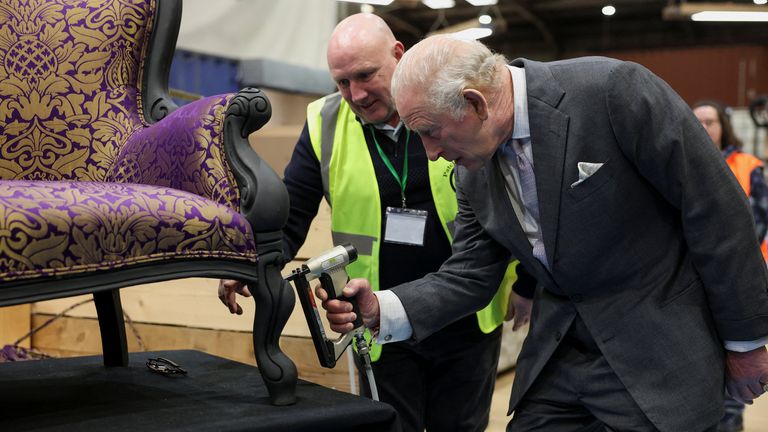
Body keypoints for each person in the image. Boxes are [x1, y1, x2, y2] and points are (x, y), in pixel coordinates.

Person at [321, 35, 768, 432]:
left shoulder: (613, 93)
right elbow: (470, 274)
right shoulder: (474, 174)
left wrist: (747, 343)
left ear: (475, 103)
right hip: (560, 360)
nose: (431, 153)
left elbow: (716, 212)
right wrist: (381, 306)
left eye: (431, 132)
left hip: (656, 352)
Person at [219, 15, 535, 432]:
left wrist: (528, 283)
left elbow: (516, 199)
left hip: (466, 316)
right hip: (379, 319)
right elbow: (290, 215)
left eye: (366, 75)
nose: (357, 94)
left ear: (398, 55)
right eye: (342, 82)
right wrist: (251, 264)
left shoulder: (447, 105)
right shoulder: (324, 123)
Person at [693, 100, 768, 432]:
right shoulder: (680, 166)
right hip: (693, 288)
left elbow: (759, 224)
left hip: (738, 285)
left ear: (723, 125)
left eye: (711, 121)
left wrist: (721, 258)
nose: (705, 128)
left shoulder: (747, 165)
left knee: (736, 369)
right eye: (698, 122)